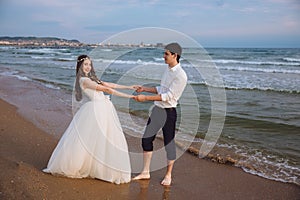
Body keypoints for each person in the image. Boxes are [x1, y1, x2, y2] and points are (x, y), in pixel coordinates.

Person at [43, 55, 135, 184]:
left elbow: (109, 84)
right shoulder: (84, 80)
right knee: (96, 139)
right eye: (85, 64)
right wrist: (130, 97)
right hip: (97, 109)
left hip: (103, 109)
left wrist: (129, 87)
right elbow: (107, 89)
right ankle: (89, 166)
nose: (88, 67)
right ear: (80, 66)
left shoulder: (92, 79)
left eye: (89, 64)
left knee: (101, 140)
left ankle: (98, 167)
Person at [132, 43, 187, 186]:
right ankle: (145, 172)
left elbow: (167, 96)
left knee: (169, 145)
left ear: (175, 55)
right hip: (157, 111)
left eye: (166, 54)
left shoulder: (181, 76)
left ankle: (168, 175)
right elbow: (160, 89)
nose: (164, 56)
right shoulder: (167, 69)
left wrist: (145, 99)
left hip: (169, 113)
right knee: (146, 140)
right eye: (164, 53)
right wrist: (144, 89)